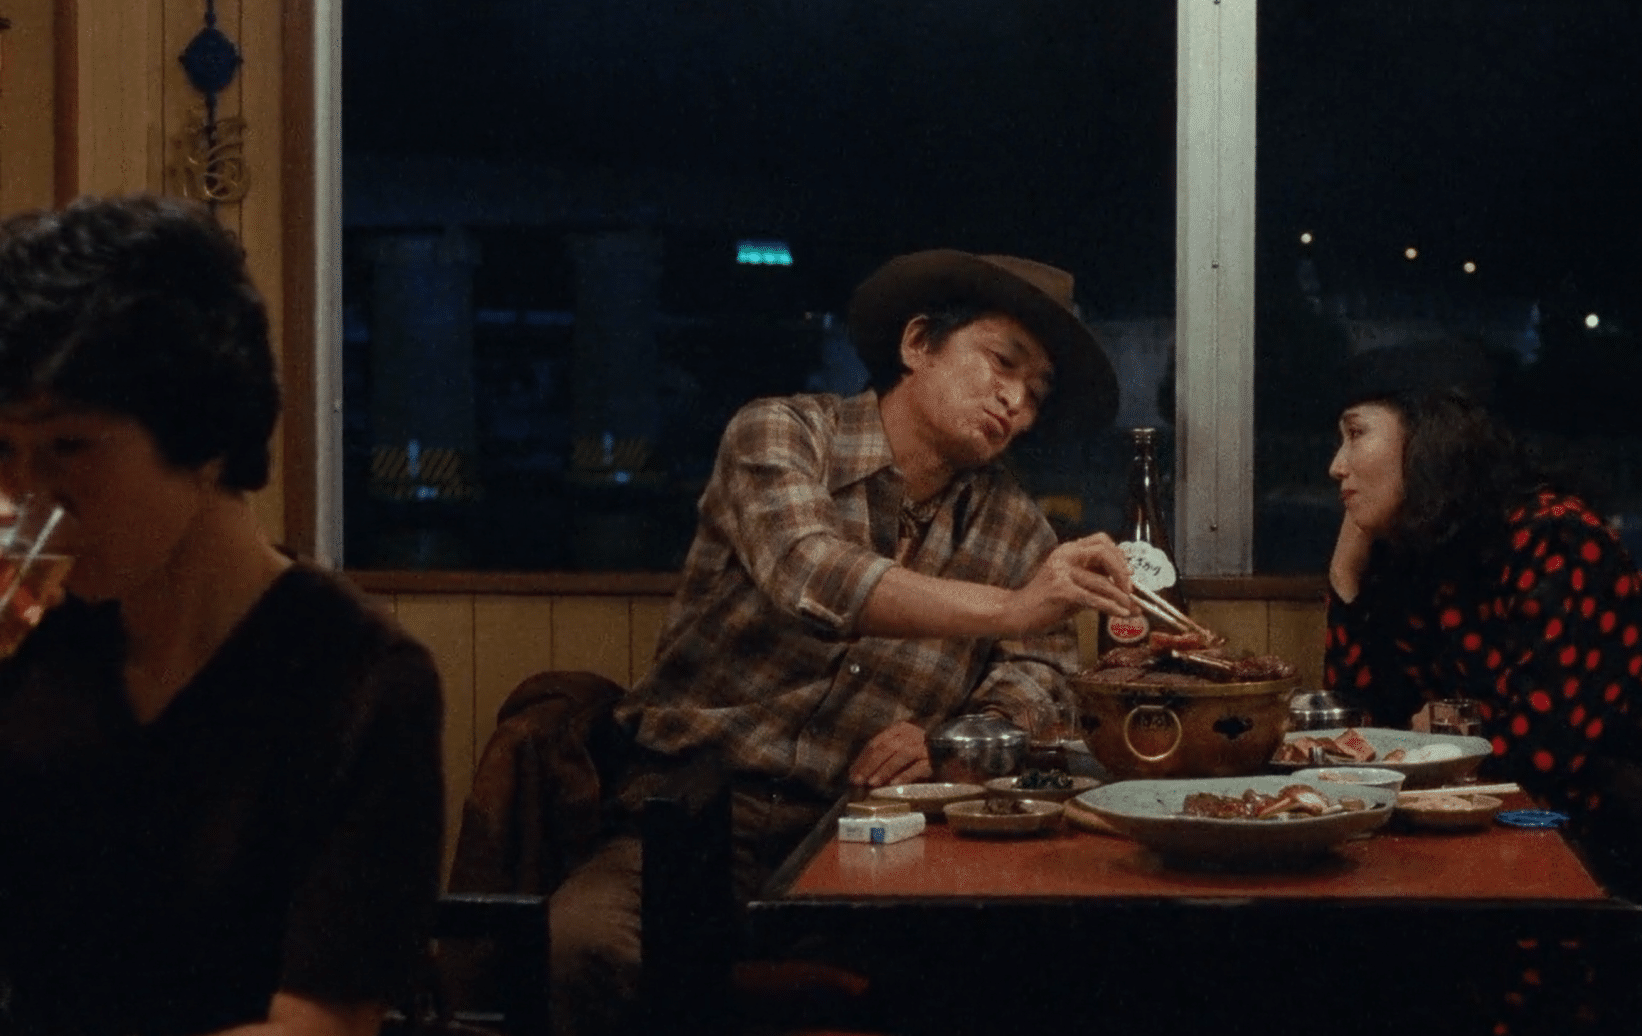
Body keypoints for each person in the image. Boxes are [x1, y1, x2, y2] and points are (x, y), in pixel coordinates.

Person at [548, 249, 1135, 1036]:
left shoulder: (1017, 526)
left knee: (1012, 969)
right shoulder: (784, 433)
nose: (1016, 402)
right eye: (1003, 361)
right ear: (918, 343)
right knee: (583, 947)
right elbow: (811, 569)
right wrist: (1012, 607)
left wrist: (948, 739)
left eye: (1037, 392)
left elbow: (1040, 675)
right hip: (692, 809)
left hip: (867, 827)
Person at [0, 195, 445, 1036]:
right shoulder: (34, 634)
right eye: (4, 450)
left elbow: (319, 1025)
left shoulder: (356, 679)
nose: (27, 495)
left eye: (68, 446)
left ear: (202, 436)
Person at [1320, 337, 1642, 1031]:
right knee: (1378, 957)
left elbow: (1543, 744)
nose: (1336, 466)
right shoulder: (1434, 550)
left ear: (1427, 438)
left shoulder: (1555, 536)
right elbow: (1370, 721)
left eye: (1356, 434)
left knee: (1453, 972)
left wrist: (1444, 721)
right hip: (1543, 824)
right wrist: (1346, 577)